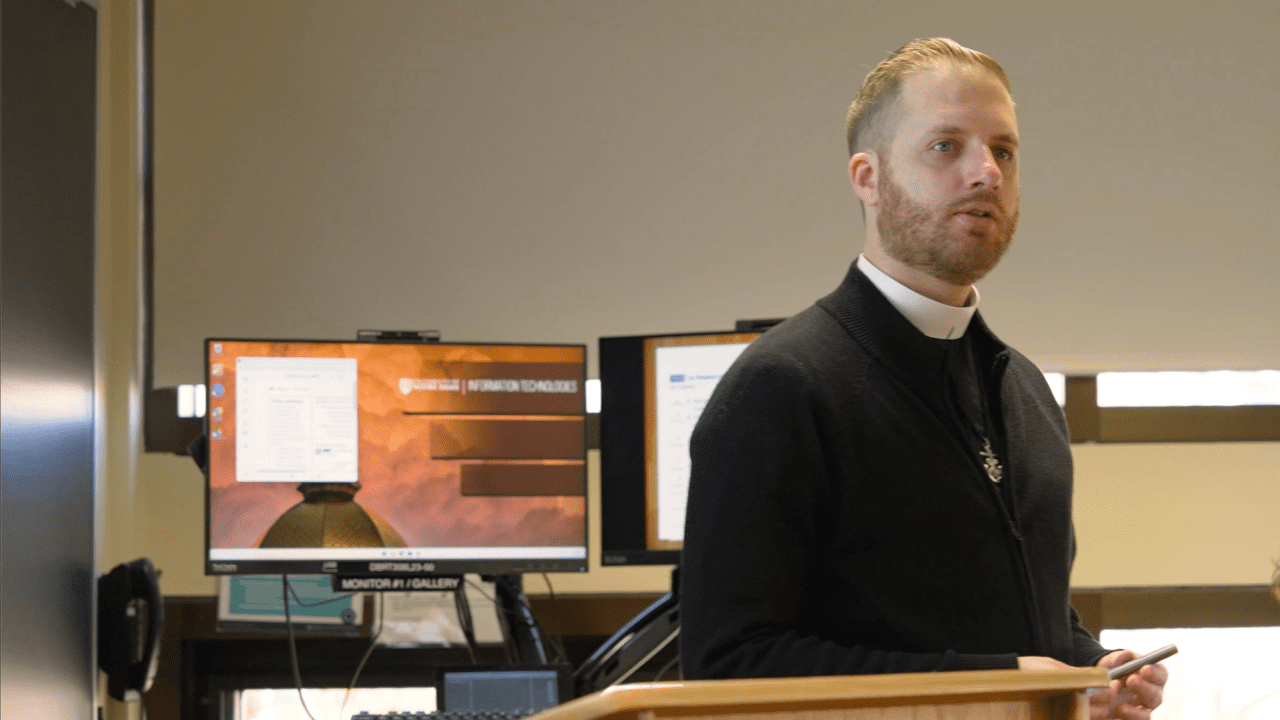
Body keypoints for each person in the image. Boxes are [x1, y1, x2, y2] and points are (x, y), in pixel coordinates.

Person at [679, 38, 1168, 720]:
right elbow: (729, 666)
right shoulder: (781, 387)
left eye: (1004, 151)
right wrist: (999, 684)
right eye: (946, 146)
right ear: (868, 178)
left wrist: (1092, 669)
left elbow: (1032, 622)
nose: (986, 172)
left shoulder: (1026, 390)